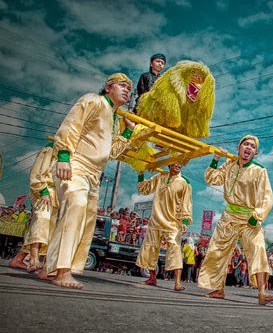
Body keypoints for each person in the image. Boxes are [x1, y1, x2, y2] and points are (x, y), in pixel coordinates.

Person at [45, 73, 136, 289]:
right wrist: (64, 156)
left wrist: (127, 130)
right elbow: (71, 126)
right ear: (108, 87)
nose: (127, 91)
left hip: (95, 174)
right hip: (76, 164)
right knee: (76, 207)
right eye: (122, 86)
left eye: (129, 90)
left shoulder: (115, 118)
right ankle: (62, 271)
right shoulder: (92, 100)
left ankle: (48, 269)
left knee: (83, 221)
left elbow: (112, 152)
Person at [198, 135, 273, 305]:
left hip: (250, 218)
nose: (248, 148)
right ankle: (218, 289)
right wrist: (216, 159)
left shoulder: (259, 170)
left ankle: (262, 293)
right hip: (229, 216)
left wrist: (257, 216)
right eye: (246, 144)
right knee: (217, 250)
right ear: (238, 148)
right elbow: (213, 179)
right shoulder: (230, 165)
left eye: (253, 147)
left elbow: (267, 197)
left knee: (258, 249)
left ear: (255, 153)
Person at [135, 162, 192, 291]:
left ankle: (177, 283)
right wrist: (140, 173)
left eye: (180, 163)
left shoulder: (184, 182)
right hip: (156, 220)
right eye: (175, 162)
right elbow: (145, 188)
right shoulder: (159, 177)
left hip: (173, 222)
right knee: (150, 248)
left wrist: (185, 221)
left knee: (175, 249)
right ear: (169, 164)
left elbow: (186, 203)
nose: (178, 165)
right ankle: (152, 278)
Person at [8, 141, 58, 276]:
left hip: (56, 195)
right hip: (43, 191)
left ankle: (18, 259)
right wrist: (43, 191)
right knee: (42, 220)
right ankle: (34, 259)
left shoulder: (70, 151)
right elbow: (38, 170)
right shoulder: (51, 147)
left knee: (48, 228)